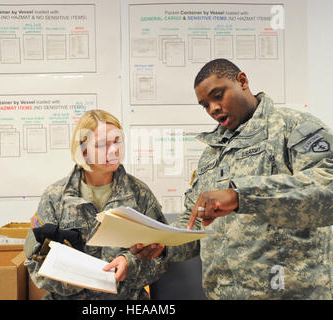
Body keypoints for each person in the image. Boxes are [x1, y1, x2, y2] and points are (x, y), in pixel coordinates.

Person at [132, 58, 333, 299]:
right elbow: (195, 223)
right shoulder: (213, 152)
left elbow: (327, 191)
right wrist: (163, 244)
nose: (213, 109)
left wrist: (241, 196)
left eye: (218, 95)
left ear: (242, 81)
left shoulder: (294, 127)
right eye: (205, 105)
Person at [24, 109, 167, 300]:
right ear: (83, 151)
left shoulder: (139, 194)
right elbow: (36, 260)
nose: (113, 150)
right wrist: (73, 279)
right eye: (101, 145)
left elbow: (161, 256)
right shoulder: (55, 197)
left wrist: (129, 263)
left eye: (117, 141)